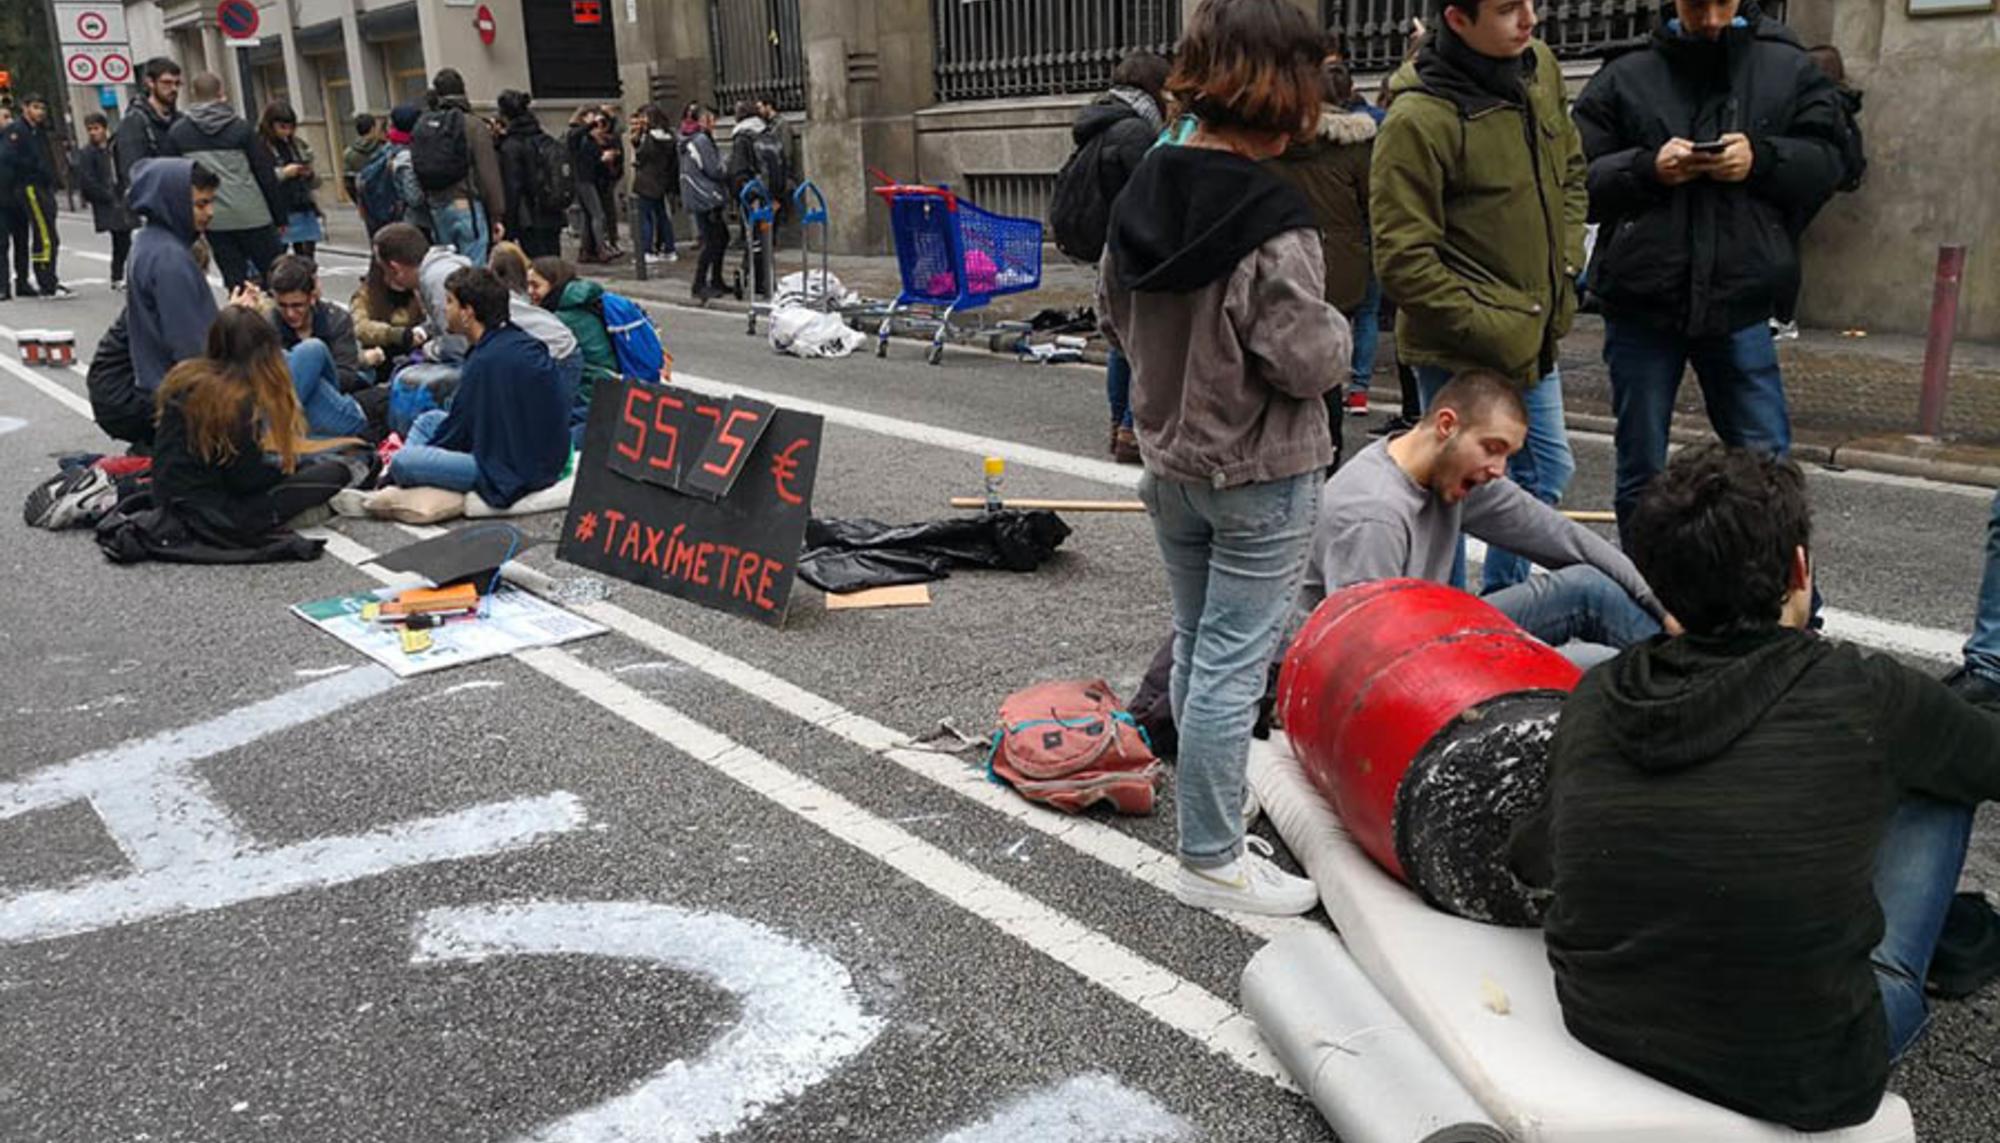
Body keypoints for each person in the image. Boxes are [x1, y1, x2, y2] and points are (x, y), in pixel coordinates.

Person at [1509, 444, 2000, 1132]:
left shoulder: (1597, 695)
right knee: (1946, 760)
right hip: (1811, 1073)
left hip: (1604, 1020)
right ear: (1800, 569)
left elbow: (1537, 857)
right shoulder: (1866, 691)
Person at [1098, 0, 1348, 917]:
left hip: (1171, 464)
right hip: (1260, 469)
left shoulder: (1147, 180)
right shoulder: (1272, 214)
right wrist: (1341, 343)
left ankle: (1211, 803)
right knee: (1236, 663)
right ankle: (1209, 855)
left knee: (1203, 647)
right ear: (1285, 85)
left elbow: (1110, 315)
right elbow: (1305, 357)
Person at [1572, 0, 1846, 543]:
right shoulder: (1624, 75)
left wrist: (1763, 158)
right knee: (1641, 471)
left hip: (1740, 297)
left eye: (1724, 3)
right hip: (1642, 301)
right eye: (1700, 5)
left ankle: (1790, 608)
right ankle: (1645, 603)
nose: (1714, 19)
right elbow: (1575, 180)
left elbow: (1836, 160)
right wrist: (1647, 167)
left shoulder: (1786, 65)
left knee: (1767, 472)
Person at [1371, 0, 1587, 595]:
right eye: (1505, 9)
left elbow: (1570, 170)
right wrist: (1495, 325)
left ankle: (1499, 605)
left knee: (1544, 470)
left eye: (1531, 4)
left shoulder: (1537, 66)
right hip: (1460, 346)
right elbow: (1402, 259)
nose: (1529, 19)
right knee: (1450, 486)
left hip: (1535, 329)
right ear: (1458, 20)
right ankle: (1447, 613)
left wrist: (1568, 262)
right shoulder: (1419, 116)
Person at [1302, 369, 1668, 656]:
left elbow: (1566, 539)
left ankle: (1701, 676)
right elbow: (1363, 661)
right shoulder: (1373, 514)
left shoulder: (1451, 470)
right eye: (1492, 448)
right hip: (1397, 670)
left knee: (1589, 588)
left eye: (1507, 455)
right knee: (1598, 672)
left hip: (1424, 638)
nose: (1499, 469)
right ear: (1447, 426)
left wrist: (1662, 606)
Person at [147, 306, 356, 550]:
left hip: (166, 499)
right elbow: (245, 481)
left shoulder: (184, 377)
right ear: (263, 352)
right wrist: (284, 471)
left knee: (307, 464)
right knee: (335, 472)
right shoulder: (236, 400)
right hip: (216, 516)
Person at [1059, 50, 1170, 464]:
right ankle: (1130, 430)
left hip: (1109, 245)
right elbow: (1151, 195)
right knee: (1139, 343)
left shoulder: (1100, 120)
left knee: (1120, 342)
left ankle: (1117, 427)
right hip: (1133, 245)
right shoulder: (1138, 133)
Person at [386, 266, 572, 508]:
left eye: (450, 302)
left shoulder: (484, 362)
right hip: (530, 449)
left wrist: (426, 459)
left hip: (513, 469)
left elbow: (458, 430)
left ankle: (395, 483)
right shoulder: (515, 340)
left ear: (468, 312)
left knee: (404, 461)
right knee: (429, 419)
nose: (444, 308)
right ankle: (405, 480)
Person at [1268, 58, 1376, 466]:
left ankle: (1295, 444)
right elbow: (1374, 203)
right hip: (1339, 261)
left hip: (1279, 259)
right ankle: (1329, 445)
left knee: (1286, 353)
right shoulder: (1354, 146)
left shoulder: (1271, 139)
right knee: (1328, 359)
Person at [169, 72, 285, 290]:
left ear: (193, 95)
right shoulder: (241, 128)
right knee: (276, 275)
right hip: (253, 214)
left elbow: (176, 178)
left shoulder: (178, 132)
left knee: (234, 280)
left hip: (215, 219)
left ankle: (240, 318)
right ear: (221, 93)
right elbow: (264, 174)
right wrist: (280, 217)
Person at [126, 159, 227, 402]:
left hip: (163, 388)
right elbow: (191, 343)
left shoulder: (147, 242)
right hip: (187, 396)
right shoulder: (170, 258)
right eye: (201, 204)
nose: (210, 212)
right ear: (174, 203)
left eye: (212, 202)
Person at [414, 68, 506, 265]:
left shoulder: (424, 124)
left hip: (436, 205)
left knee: (448, 266)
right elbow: (487, 172)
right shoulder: (472, 124)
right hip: (467, 203)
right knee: (474, 268)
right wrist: (496, 213)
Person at [527, 255, 620, 432]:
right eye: (528, 285)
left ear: (553, 284)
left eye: (536, 285)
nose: (530, 291)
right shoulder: (577, 303)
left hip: (588, 393)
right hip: (603, 388)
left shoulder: (561, 318)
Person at [1, 96, 73, 300]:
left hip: (40, 186)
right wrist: (35, 169)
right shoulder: (17, 131)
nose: (40, 112)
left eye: (42, 107)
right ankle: (46, 281)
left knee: (44, 234)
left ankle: (38, 280)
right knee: (45, 235)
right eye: (35, 107)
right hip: (29, 186)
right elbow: (9, 158)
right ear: (25, 108)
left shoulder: (37, 131)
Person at [266, 253, 369, 392]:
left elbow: (346, 375)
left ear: (312, 298)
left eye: (297, 306)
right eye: (282, 306)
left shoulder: (337, 320)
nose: (290, 313)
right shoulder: (267, 325)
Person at [495, 89, 567, 259]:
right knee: (554, 263)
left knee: (538, 266)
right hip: (552, 211)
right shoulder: (544, 138)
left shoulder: (511, 146)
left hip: (529, 217)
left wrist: (508, 228)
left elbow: (513, 188)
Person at [76, 112, 137, 290]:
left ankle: (122, 275)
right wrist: (104, 195)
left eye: (96, 128)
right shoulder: (88, 153)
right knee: (120, 239)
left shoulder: (116, 147)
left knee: (125, 238)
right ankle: (118, 276)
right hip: (107, 201)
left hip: (122, 196)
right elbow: (87, 179)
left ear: (105, 128)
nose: (93, 133)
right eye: (90, 129)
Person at [258, 101, 323, 259]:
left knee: (307, 258)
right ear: (270, 125)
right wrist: (283, 173)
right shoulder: (259, 146)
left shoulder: (298, 145)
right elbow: (259, 178)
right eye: (282, 127)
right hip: (277, 209)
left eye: (290, 127)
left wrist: (309, 174)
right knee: (275, 256)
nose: (287, 132)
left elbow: (317, 179)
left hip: (302, 206)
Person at [679, 104, 730, 303]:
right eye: (711, 118)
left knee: (719, 237)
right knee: (713, 240)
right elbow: (715, 169)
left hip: (698, 194)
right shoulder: (701, 140)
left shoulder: (689, 139)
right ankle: (699, 284)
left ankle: (715, 279)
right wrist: (726, 163)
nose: (714, 122)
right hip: (707, 196)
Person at [114, 57, 183, 185]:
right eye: (166, 83)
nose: (173, 89)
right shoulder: (134, 122)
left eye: (177, 83)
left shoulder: (180, 120)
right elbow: (133, 172)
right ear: (150, 83)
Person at [630, 104, 679, 264]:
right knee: (662, 216)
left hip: (646, 181)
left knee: (645, 217)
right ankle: (669, 248)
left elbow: (641, 157)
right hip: (662, 181)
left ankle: (647, 250)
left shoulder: (649, 138)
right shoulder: (669, 137)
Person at [342, 112, 384, 227]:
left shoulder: (349, 153)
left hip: (366, 200)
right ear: (372, 128)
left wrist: (358, 202)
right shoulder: (383, 148)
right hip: (387, 199)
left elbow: (348, 183)